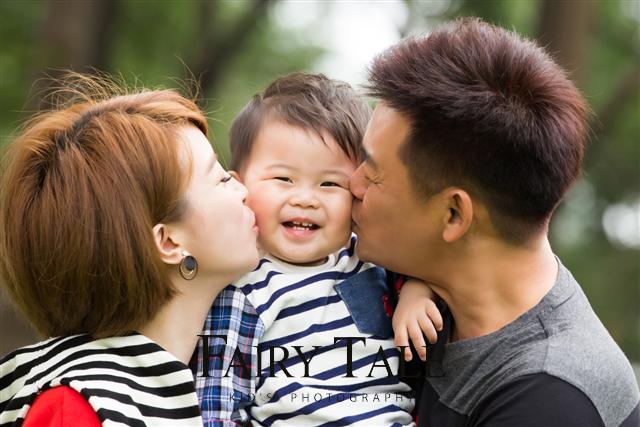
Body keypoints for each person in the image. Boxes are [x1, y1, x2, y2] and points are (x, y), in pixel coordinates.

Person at [349, 17, 640, 426]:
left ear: (454, 215)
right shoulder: (410, 284)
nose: (352, 184)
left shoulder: (549, 399)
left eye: (373, 172)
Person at [0, 74, 260, 426]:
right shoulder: (77, 407)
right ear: (169, 242)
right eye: (221, 179)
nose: (243, 191)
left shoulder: (212, 389)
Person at [191, 72, 442, 426]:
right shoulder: (244, 289)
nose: (306, 199)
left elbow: (425, 265)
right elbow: (218, 399)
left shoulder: (366, 258)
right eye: (284, 179)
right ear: (239, 187)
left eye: (329, 184)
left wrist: (416, 293)